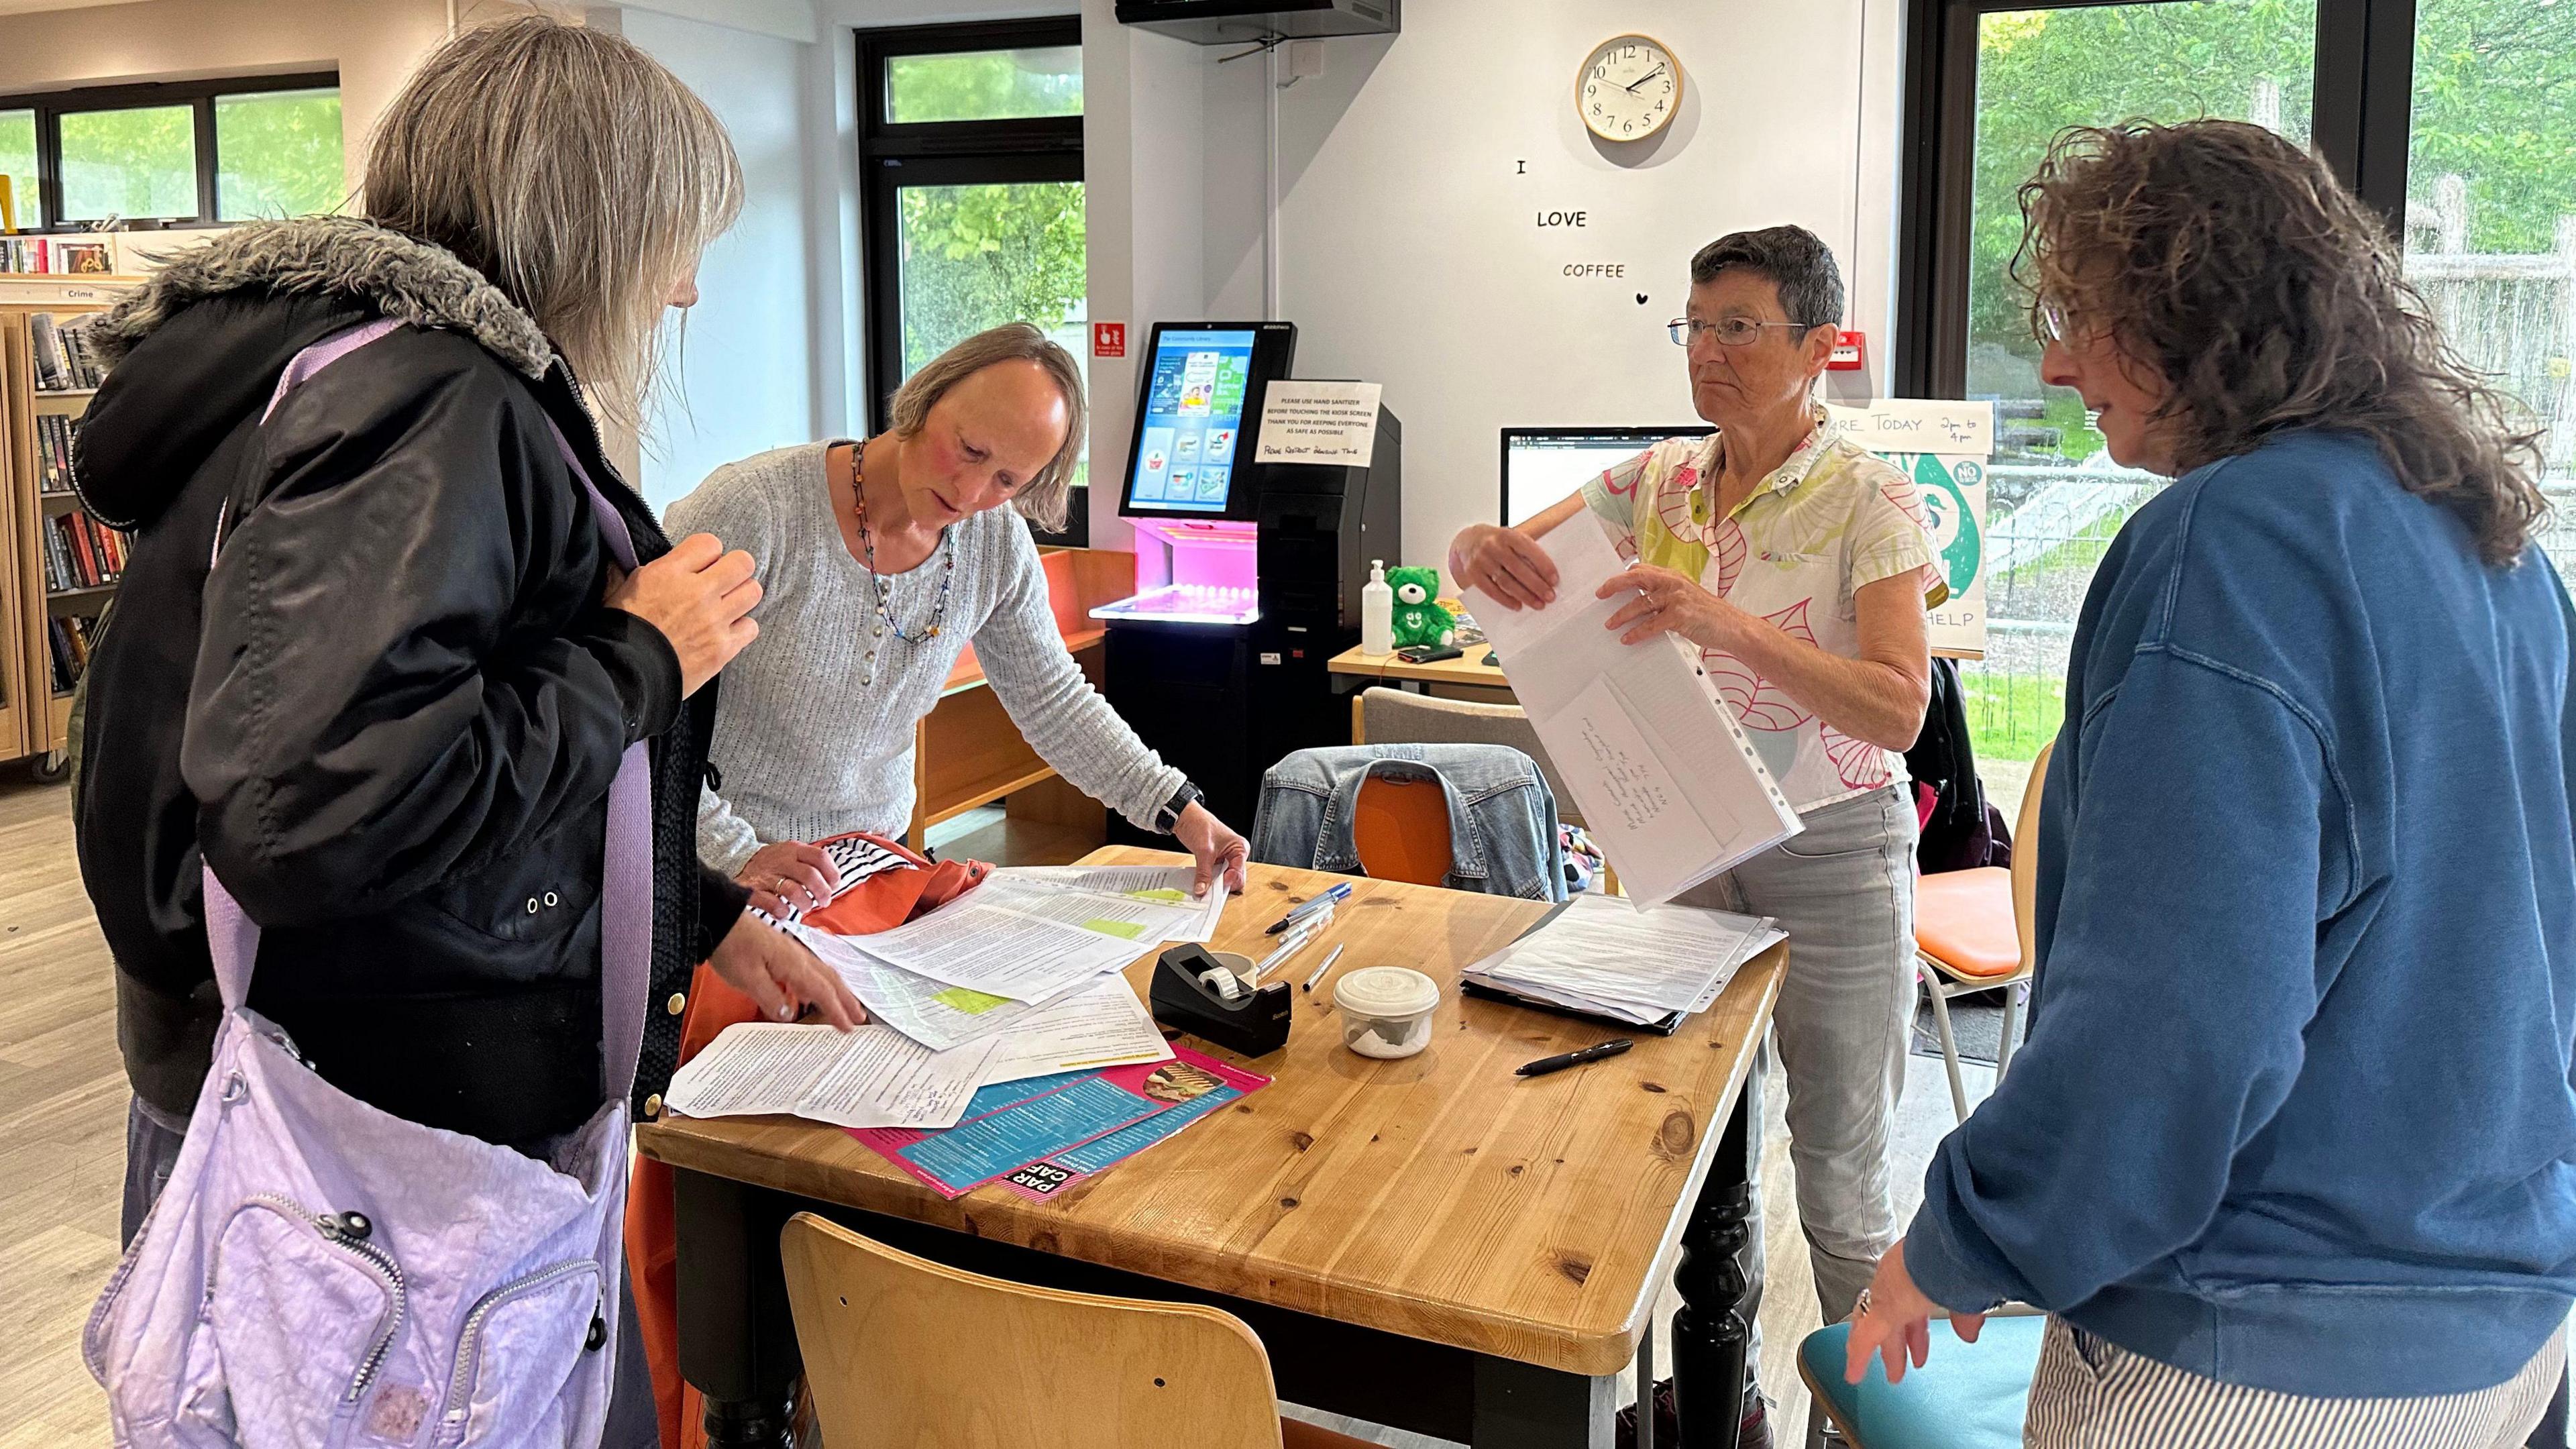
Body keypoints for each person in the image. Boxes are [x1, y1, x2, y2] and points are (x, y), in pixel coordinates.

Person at [72, 17, 859, 1444]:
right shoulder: (432, 400)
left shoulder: (336, 377)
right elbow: (323, 810)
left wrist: (698, 907)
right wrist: (641, 653)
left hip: (320, 1101)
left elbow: (427, 745)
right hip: (387, 1145)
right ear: (589, 219)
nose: (682, 291)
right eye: (672, 239)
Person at [1846, 120, 2576, 1448]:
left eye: (2084, 317)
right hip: (2506, 1315)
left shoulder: (2229, 546)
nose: (2058, 363)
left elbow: (2174, 1020)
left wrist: (1963, 1236)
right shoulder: (2502, 554)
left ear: (2201, 318)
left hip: (2263, 1351)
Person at [1452, 224, 1939, 1446]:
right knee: (1695, 1149)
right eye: (1695, 325)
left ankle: (1867, 1429)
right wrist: (1478, 549)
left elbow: (1899, 705)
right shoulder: (1659, 478)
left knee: (1840, 1177)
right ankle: (1724, 1405)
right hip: (1689, 841)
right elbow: (1508, 552)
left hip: (1835, 848)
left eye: (1739, 328)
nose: (1708, 353)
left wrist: (1725, 626)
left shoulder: (1870, 495)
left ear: (1817, 346)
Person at [672, 324, 1250, 912]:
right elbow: (643, 710)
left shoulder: (994, 542)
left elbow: (1054, 702)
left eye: (1006, 480)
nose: (970, 490)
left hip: (873, 861)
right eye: (970, 450)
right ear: (928, 397)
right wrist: (734, 853)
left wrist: (1180, 810)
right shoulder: (757, 510)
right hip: (722, 865)